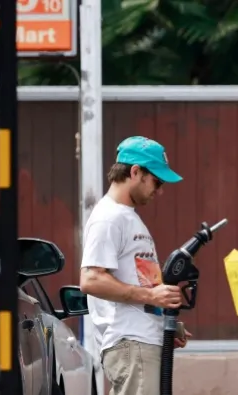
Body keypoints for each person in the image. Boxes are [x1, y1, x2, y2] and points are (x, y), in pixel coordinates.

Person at [79, 136, 194, 395]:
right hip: (131, 342)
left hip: (141, 341)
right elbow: (91, 280)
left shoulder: (127, 218)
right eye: (157, 181)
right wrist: (152, 296)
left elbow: (144, 282)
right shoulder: (108, 218)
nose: (160, 190)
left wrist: (165, 319)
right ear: (135, 172)